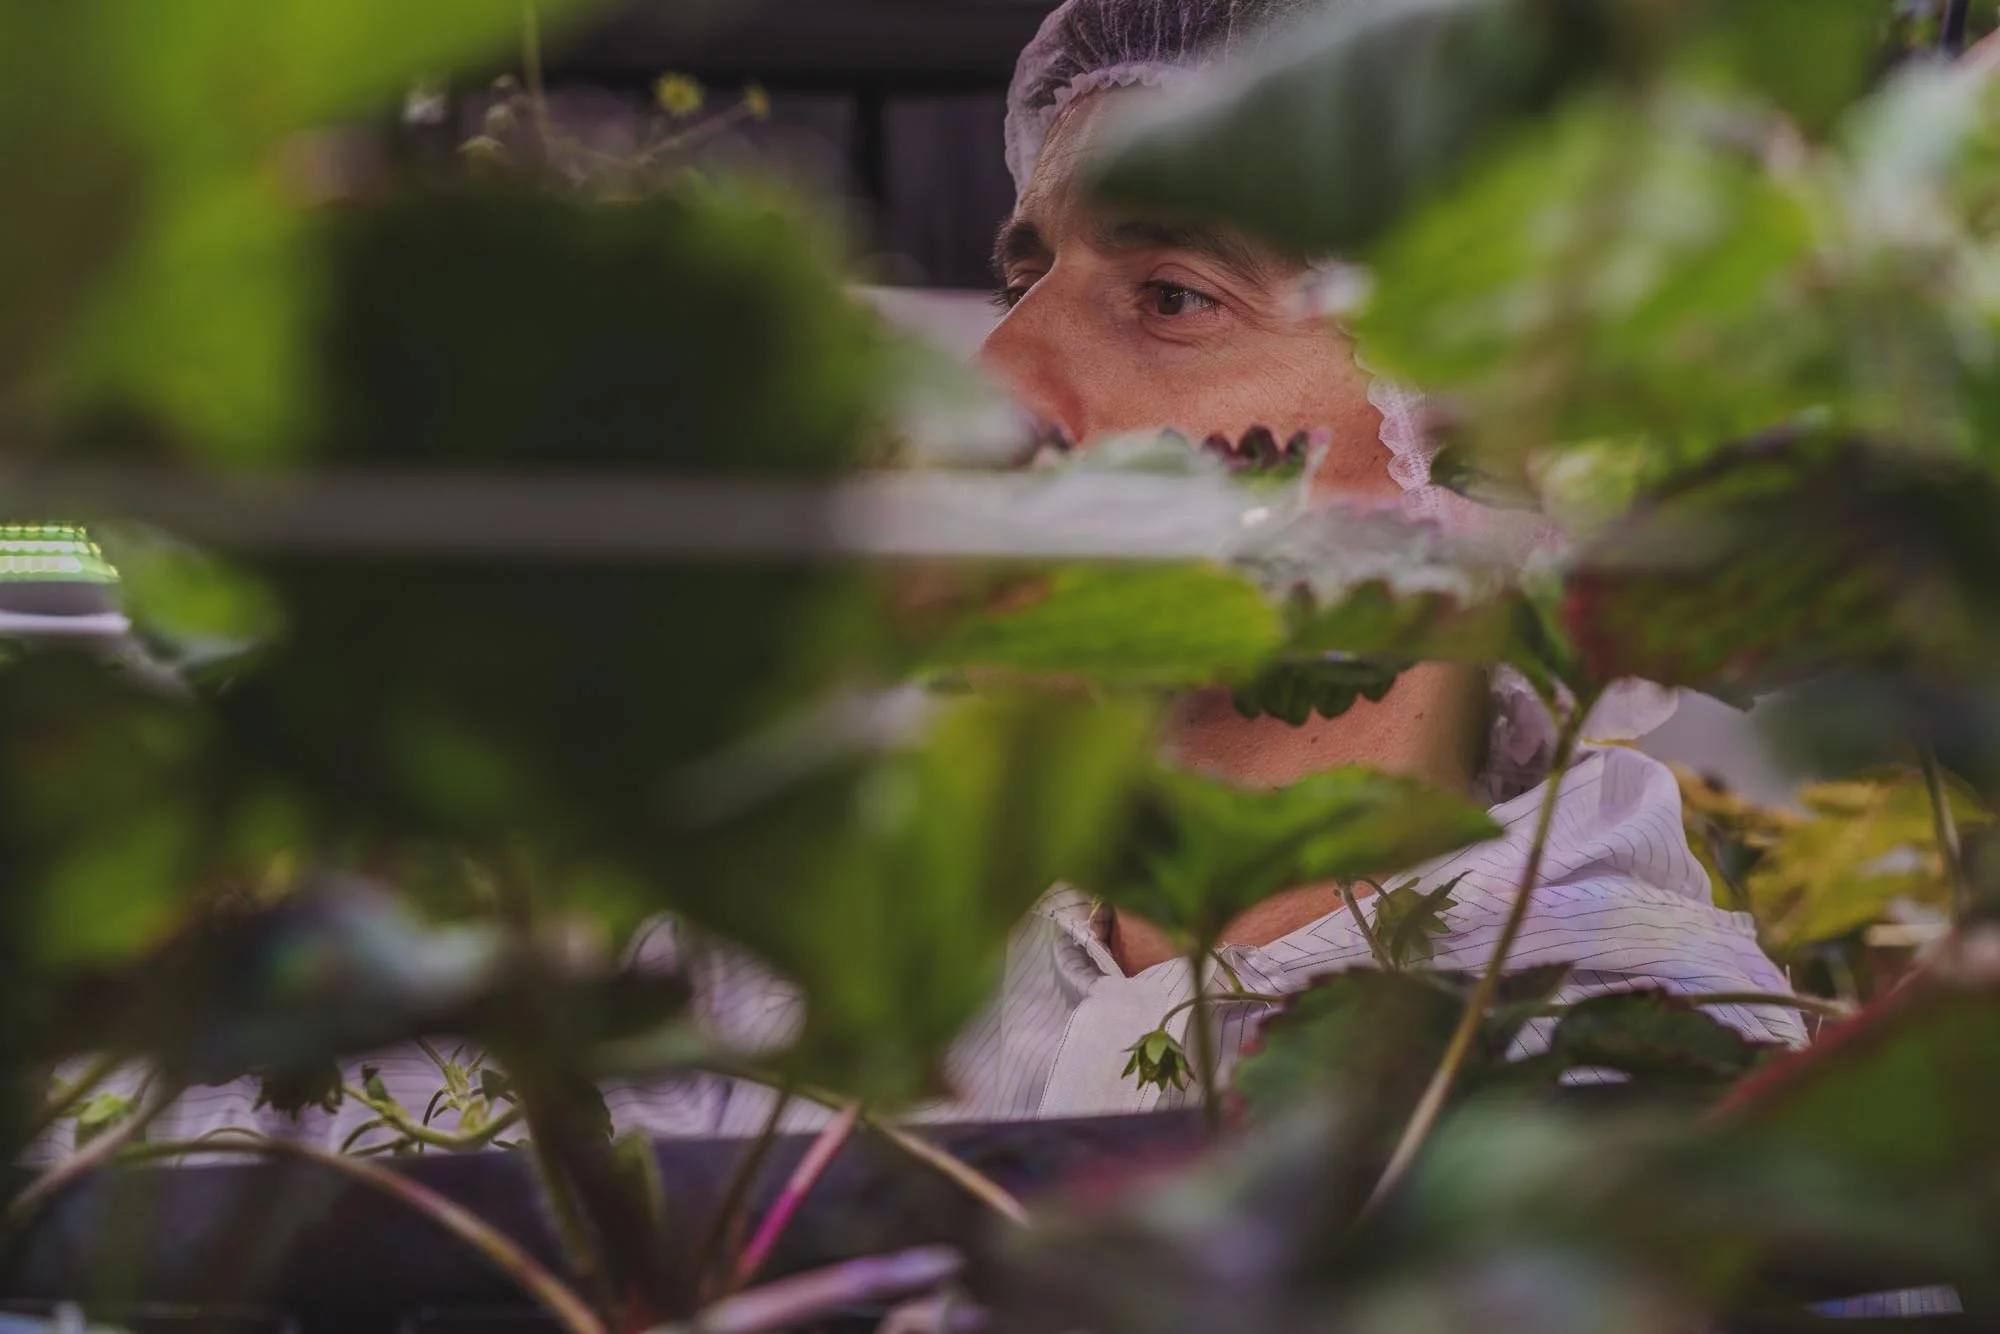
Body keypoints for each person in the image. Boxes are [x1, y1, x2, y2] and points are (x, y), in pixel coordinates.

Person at [39, 0, 1801, 1157]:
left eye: (1171, 294)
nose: (994, 374)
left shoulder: (1626, 1060)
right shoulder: (839, 934)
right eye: (1023, 270)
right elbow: (226, 1162)